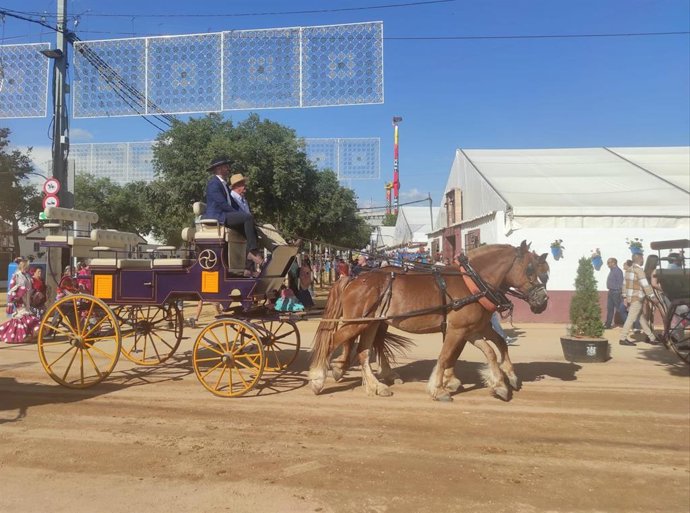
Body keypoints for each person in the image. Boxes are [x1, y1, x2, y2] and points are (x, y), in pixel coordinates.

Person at [204, 156, 264, 272]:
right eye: (226, 166)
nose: (228, 168)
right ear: (219, 168)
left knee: (250, 223)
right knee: (247, 218)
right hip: (217, 216)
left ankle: (248, 262)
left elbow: (233, 205)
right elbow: (222, 204)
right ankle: (253, 252)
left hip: (224, 214)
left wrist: (244, 217)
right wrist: (242, 216)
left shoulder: (224, 184)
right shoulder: (213, 183)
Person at [619, 253, 660, 346]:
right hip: (637, 298)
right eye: (642, 259)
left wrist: (625, 297)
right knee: (631, 318)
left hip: (631, 298)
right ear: (640, 259)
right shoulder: (639, 271)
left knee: (641, 319)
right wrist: (652, 296)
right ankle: (623, 338)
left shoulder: (628, 270)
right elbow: (645, 284)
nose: (643, 261)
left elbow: (624, 284)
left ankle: (651, 337)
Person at [0, 258, 40, 344]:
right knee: (27, 318)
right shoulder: (16, 276)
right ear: (23, 266)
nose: (28, 268)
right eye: (27, 266)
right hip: (20, 302)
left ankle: (26, 336)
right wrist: (13, 299)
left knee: (26, 319)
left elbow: (31, 287)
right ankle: (22, 336)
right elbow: (12, 289)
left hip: (28, 301)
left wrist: (34, 294)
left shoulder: (28, 276)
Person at [603, 257, 626, 329]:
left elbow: (620, 283)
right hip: (611, 292)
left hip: (616, 292)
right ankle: (608, 324)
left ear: (614, 263)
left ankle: (629, 324)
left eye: (609, 263)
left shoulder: (618, 271)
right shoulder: (612, 270)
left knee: (620, 309)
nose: (608, 264)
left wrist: (619, 293)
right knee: (610, 309)